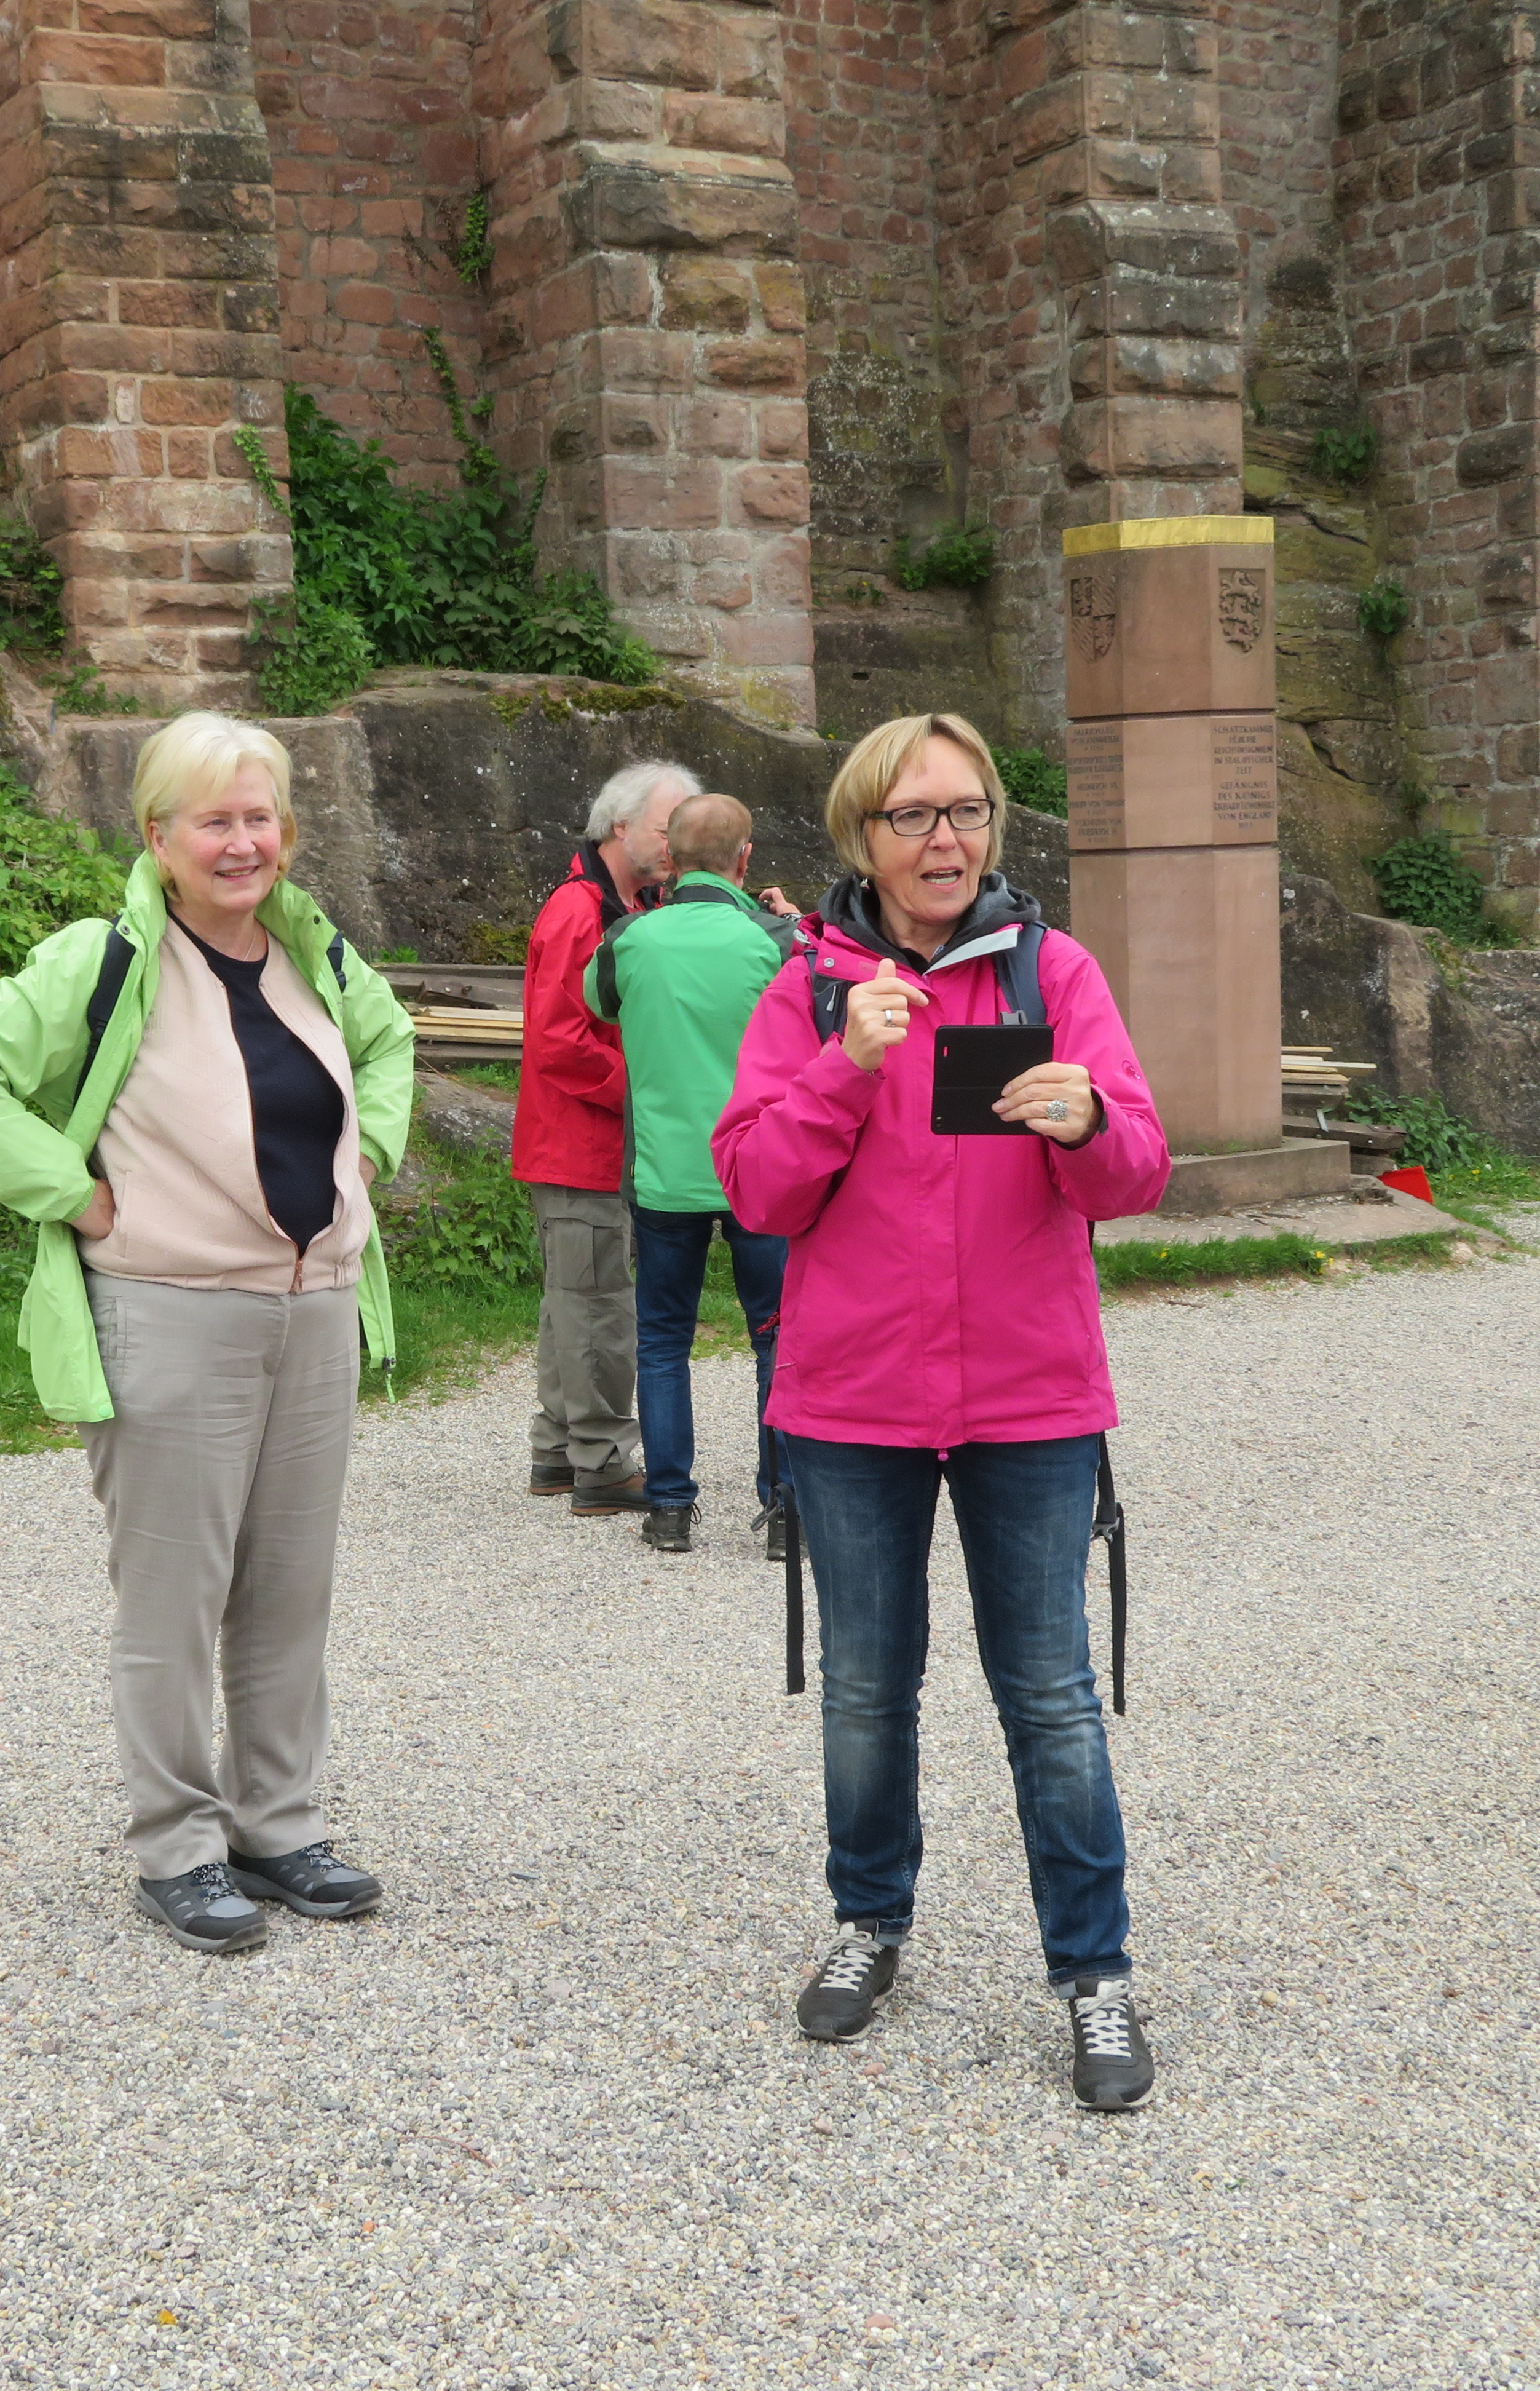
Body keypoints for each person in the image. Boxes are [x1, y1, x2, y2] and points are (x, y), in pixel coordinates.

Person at [711, 712, 1174, 2109]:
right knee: (864, 1692)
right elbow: (755, 1190)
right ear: (862, 834)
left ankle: (1092, 1972)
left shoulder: (1052, 971)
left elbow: (1140, 1169)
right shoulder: (805, 992)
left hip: (1028, 1397)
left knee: (1048, 1695)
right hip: (849, 1401)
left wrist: (1086, 1121)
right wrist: (842, 1063)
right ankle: (870, 1924)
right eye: (912, 817)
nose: (943, 841)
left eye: (965, 812)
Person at [0, 712, 416, 1957]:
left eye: (260, 819)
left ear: (285, 834)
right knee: (175, 1600)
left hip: (312, 1309)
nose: (242, 844)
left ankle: (277, 1825)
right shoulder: (105, 960)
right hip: (169, 1311)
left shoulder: (316, 954)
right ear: (159, 836)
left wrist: (372, 1162)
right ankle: (177, 1848)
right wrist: (69, 1192)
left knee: (288, 1593)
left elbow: (392, 1043)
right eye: (214, 821)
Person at [581, 791, 794, 1558]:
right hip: (760, 1172)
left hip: (665, 1174)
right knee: (775, 1334)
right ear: (746, 858)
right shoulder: (775, 937)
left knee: (664, 1339)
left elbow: (596, 1001)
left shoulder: (631, 938)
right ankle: (787, 1508)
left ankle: (670, 1506)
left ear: (669, 859)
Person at [512, 757, 698, 1515]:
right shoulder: (579, 910)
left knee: (573, 1300)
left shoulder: (636, 903)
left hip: (588, 1140)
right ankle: (601, 1459)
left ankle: (560, 1451)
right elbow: (557, 1039)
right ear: (620, 827)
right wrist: (647, 1092)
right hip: (580, 1142)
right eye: (668, 827)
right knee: (598, 1306)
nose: (678, 843)